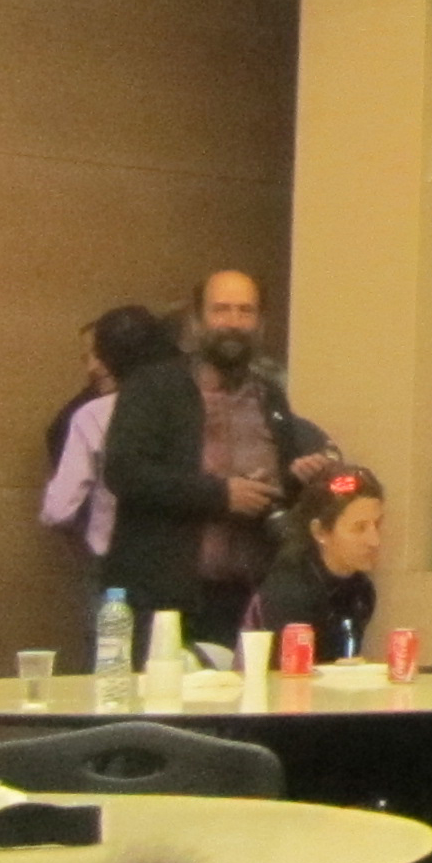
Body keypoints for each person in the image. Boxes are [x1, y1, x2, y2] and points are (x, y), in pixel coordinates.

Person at [101, 271, 339, 650]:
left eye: (245, 311)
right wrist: (220, 494)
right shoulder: (154, 387)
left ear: (260, 323)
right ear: (197, 321)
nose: (233, 322)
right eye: (221, 310)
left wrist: (297, 477)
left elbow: (280, 488)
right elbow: (125, 472)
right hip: (163, 601)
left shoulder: (270, 395)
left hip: (244, 599)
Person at [38, 305, 179, 572]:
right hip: (181, 569)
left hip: (116, 566)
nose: (92, 367)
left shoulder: (91, 415)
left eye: (99, 355)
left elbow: (59, 510)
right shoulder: (194, 406)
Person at [247, 468, 384, 663]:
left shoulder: (361, 591)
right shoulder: (289, 592)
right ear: (320, 532)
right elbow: (285, 674)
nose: (374, 540)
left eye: (377, 525)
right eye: (359, 528)